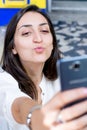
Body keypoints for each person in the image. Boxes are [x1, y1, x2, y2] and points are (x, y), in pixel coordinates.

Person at [0, 4, 87, 130]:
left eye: (44, 31)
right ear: (13, 47)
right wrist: (36, 118)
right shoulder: (3, 81)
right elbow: (18, 106)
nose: (38, 38)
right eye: (26, 33)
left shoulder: (61, 76)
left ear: (52, 43)